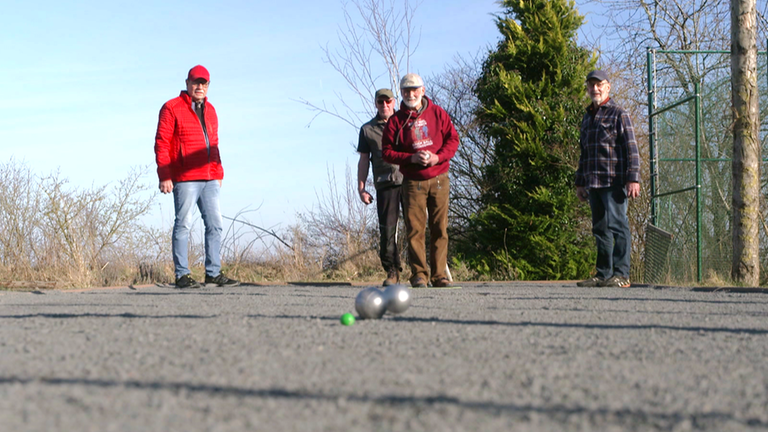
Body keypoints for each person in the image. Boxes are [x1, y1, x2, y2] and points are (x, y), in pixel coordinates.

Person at [154, 65, 239, 289]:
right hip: (185, 177)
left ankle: (213, 273)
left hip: (210, 177)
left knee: (215, 224)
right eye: (195, 82)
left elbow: (214, 143)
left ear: (208, 86)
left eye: (204, 83)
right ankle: (182, 275)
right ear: (187, 84)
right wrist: (165, 174)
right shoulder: (171, 107)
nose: (199, 87)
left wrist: (218, 171)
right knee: (183, 224)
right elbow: (162, 143)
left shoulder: (211, 110)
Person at [382, 73, 459, 288]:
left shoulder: (438, 113)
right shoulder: (395, 121)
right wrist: (411, 158)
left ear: (422, 90)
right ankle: (419, 275)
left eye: (414, 89)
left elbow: (453, 139)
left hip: (439, 178)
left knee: (440, 228)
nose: (411, 94)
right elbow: (386, 152)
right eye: (406, 90)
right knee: (415, 229)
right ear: (401, 93)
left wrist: (437, 157)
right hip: (413, 182)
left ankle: (439, 275)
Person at [575, 70, 640, 288]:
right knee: (600, 228)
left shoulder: (619, 114)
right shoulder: (587, 118)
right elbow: (584, 152)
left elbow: (631, 149)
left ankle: (622, 274)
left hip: (614, 182)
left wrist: (633, 179)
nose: (595, 89)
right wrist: (580, 182)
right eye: (591, 85)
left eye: (599, 84)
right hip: (593, 183)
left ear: (608, 87)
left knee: (618, 225)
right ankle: (603, 274)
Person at [357, 89, 404, 286]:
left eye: (388, 101)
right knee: (387, 229)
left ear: (393, 102)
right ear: (375, 104)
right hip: (385, 183)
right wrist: (361, 188)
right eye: (380, 102)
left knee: (417, 227)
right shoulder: (367, 129)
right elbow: (363, 160)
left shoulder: (405, 123)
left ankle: (421, 272)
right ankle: (392, 271)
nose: (384, 105)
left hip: (410, 181)